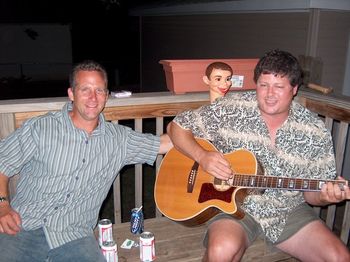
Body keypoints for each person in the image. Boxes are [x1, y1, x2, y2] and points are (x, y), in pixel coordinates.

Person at [167, 49, 350, 262]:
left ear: (294, 89)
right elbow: (176, 128)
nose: (269, 94)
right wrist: (202, 156)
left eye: (279, 87)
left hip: (287, 209)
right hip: (235, 206)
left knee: (339, 257)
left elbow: (311, 195)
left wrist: (324, 196)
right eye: (263, 85)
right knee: (221, 251)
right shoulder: (232, 109)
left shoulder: (314, 130)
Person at [0, 60, 172, 261]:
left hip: (75, 236)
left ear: (106, 96)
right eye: (85, 89)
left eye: (99, 90)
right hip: (23, 227)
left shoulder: (119, 140)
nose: (93, 97)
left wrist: (202, 128)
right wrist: (3, 205)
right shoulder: (41, 128)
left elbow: (164, 144)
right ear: (72, 93)